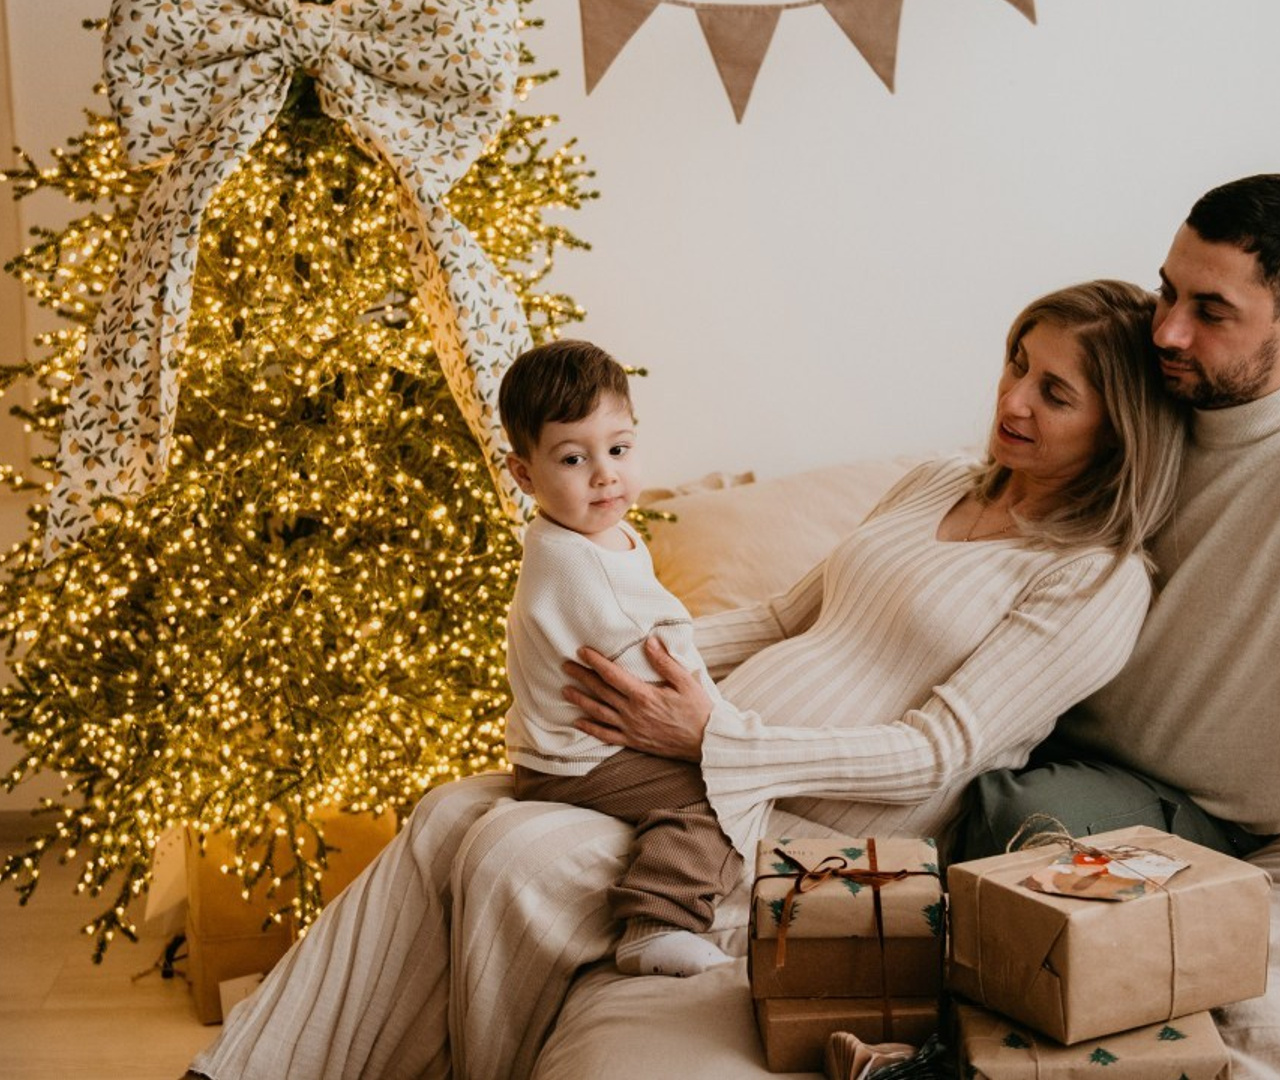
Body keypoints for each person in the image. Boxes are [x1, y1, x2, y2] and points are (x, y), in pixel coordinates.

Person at [183, 279, 1184, 1080]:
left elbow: (940, 746)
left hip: (817, 824)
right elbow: (787, 614)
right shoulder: (935, 480)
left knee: (513, 859)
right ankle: (243, 1068)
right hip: (700, 754)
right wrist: (631, 665)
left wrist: (709, 734)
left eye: (1054, 392)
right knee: (448, 812)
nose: (1012, 398)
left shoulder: (1094, 578)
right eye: (1018, 362)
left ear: (1116, 425)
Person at [955, 176, 1280, 1077]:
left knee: (1013, 823)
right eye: (1168, 290)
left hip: (1195, 817)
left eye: (1210, 310)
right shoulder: (1142, 409)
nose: (1168, 328)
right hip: (1051, 742)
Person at [499, 340, 742, 979]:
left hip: (555, 745)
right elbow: (661, 655)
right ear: (523, 474)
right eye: (574, 458)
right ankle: (658, 921)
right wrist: (727, 729)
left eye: (619, 449)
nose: (605, 474)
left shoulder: (583, 531)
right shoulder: (579, 567)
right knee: (720, 795)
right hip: (578, 760)